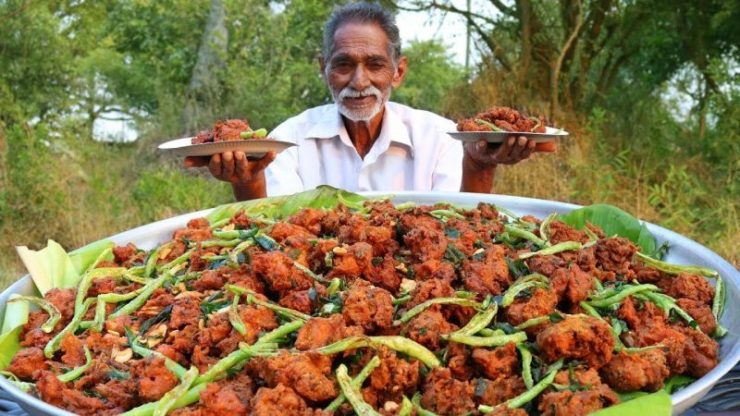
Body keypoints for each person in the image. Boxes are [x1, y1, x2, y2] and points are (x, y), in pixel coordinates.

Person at [185, 2, 545, 201]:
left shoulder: (441, 137)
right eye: (343, 65)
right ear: (324, 68)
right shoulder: (287, 140)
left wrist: (481, 166)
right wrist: (246, 182)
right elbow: (270, 233)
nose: (359, 82)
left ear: (398, 72)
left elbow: (464, 232)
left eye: (375, 64)